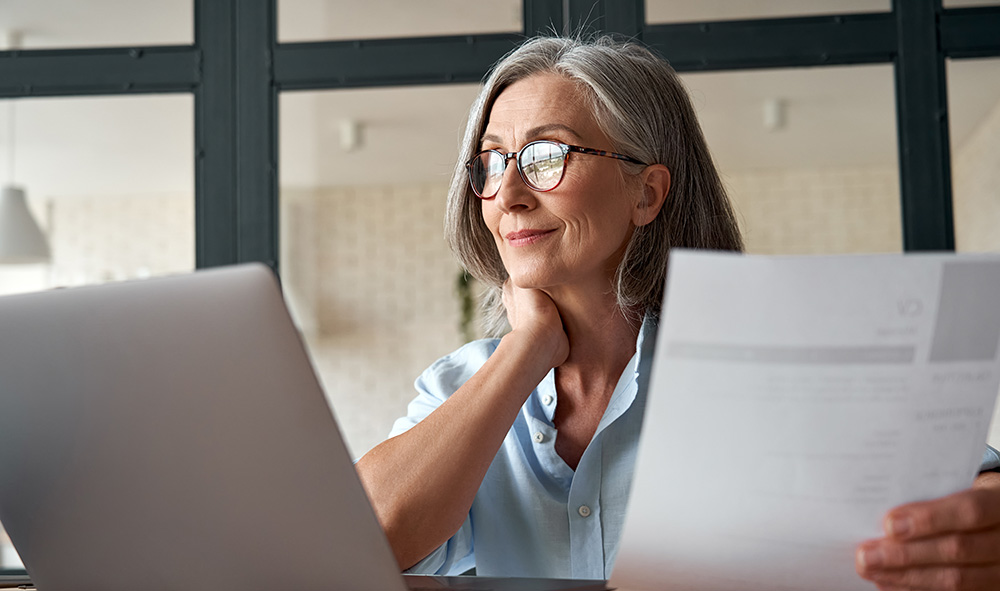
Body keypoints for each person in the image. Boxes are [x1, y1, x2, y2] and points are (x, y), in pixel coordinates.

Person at [355, 35, 1000, 590]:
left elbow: (970, 488)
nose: (509, 194)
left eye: (547, 155)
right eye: (491, 162)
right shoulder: (456, 387)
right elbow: (360, 543)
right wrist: (526, 349)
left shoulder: (764, 363)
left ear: (647, 192)